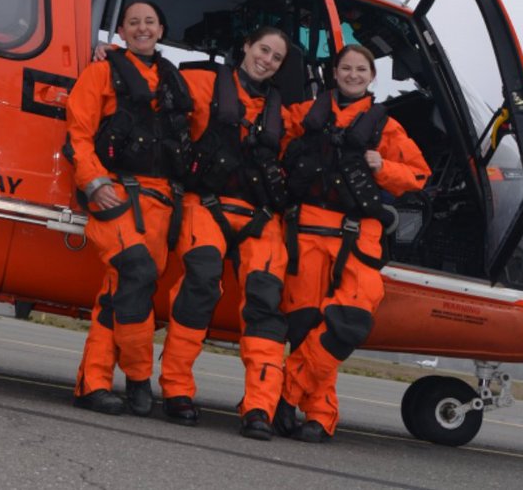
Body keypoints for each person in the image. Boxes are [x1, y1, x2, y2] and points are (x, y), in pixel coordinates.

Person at [275, 44, 431, 442]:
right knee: (307, 326)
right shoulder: (305, 113)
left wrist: (385, 167)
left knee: (348, 323)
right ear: (334, 72)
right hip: (307, 230)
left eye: (361, 69)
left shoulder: (386, 127)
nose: (353, 75)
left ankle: (283, 395)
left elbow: (418, 176)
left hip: (359, 234)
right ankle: (319, 416)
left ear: (371, 76)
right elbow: (266, 136)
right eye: (346, 68)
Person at [158, 26, 293, 440]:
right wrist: (107, 54)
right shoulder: (200, 83)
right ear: (246, 46)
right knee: (200, 283)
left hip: (260, 217)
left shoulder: (285, 115)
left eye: (276, 58)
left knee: (266, 304)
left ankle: (259, 407)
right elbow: (150, 86)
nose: (266, 60)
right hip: (207, 204)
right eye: (263, 50)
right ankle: (176, 389)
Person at [64, 0, 194, 416]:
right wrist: (94, 182)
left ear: (161, 29)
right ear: (120, 32)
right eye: (133, 22)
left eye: (150, 22)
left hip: (160, 204)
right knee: (136, 274)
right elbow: (78, 134)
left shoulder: (174, 80)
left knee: (120, 293)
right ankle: (139, 378)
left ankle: (93, 383)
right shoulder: (102, 70)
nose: (142, 29)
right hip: (115, 194)